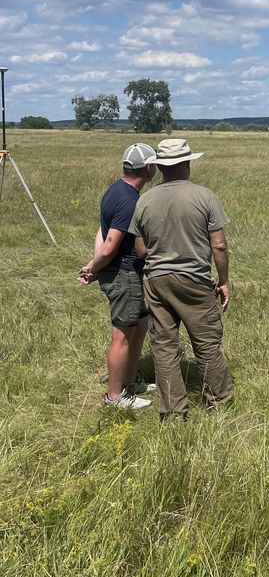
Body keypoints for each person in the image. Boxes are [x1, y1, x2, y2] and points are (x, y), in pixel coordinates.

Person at [129, 138, 234, 418]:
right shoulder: (205, 196)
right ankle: (219, 402)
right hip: (194, 280)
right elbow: (219, 245)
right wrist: (223, 280)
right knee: (207, 343)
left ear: (161, 168)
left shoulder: (145, 200)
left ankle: (173, 412)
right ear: (187, 164)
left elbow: (140, 249)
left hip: (156, 280)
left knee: (164, 347)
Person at [78, 143, 158, 409]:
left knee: (140, 325)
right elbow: (111, 243)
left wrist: (94, 264)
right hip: (124, 274)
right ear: (148, 168)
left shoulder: (115, 190)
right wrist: (97, 267)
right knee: (122, 334)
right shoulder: (128, 200)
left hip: (122, 271)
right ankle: (115, 397)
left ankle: (130, 380)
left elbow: (101, 233)